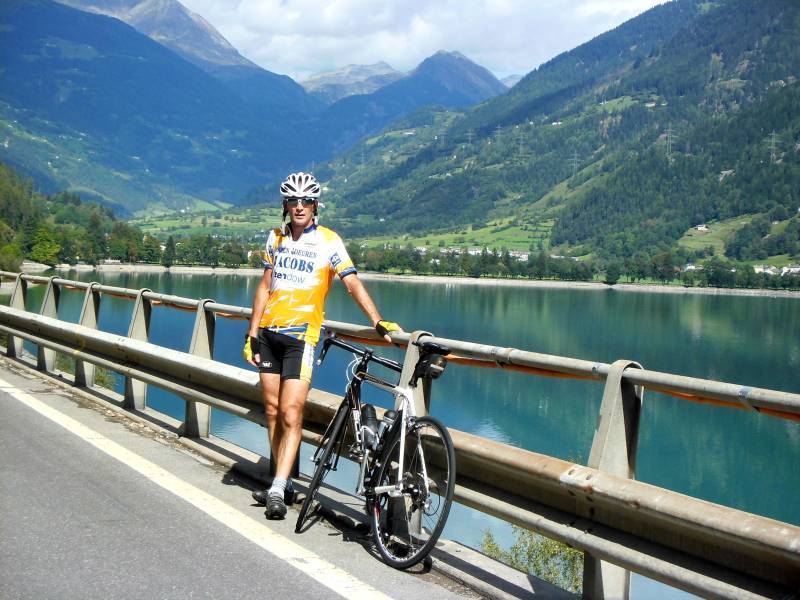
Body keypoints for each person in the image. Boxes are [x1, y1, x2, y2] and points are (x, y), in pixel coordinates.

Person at [243, 172, 401, 519]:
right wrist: (251, 333)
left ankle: (277, 486)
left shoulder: (329, 241)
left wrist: (377, 320)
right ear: (285, 205)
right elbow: (264, 287)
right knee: (272, 411)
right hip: (268, 334)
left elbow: (352, 283)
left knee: (291, 412)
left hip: (301, 337)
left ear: (315, 205)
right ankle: (280, 483)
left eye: (306, 201)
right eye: (293, 201)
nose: (299, 207)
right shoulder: (276, 238)